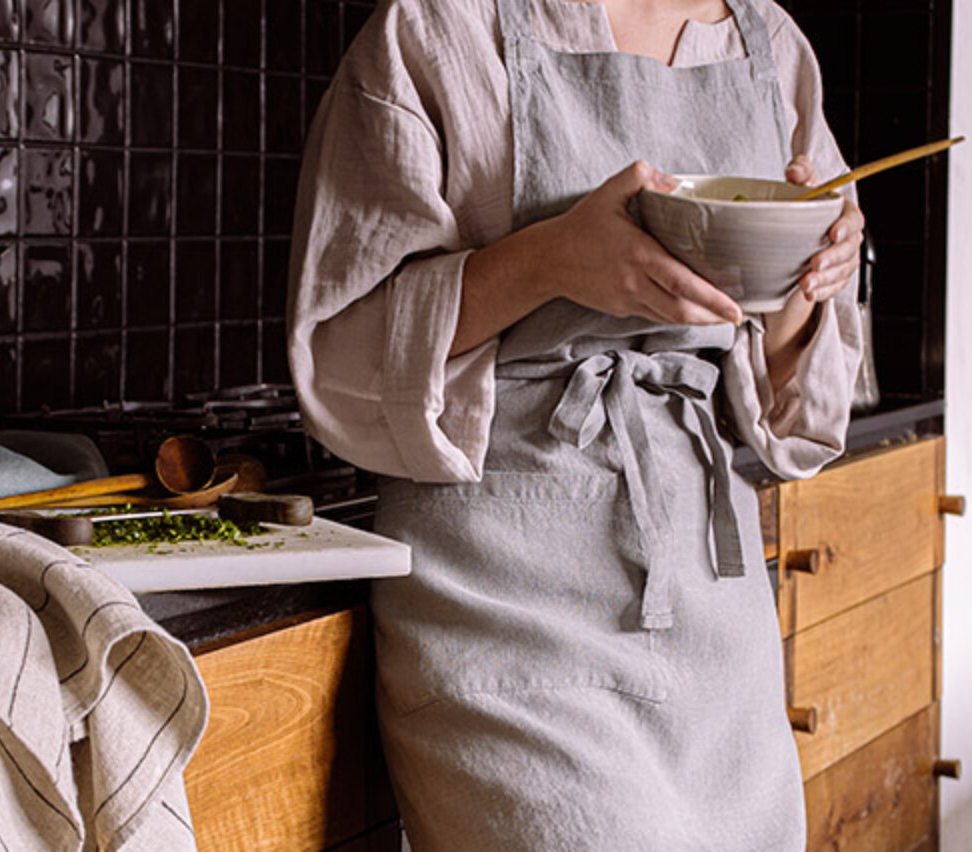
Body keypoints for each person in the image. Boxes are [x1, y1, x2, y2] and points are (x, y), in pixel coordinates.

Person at [287, 0, 864, 847]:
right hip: (504, 588)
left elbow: (787, 402)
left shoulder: (768, 41)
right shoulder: (440, 27)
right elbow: (341, 354)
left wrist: (807, 279)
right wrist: (551, 259)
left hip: (711, 595)